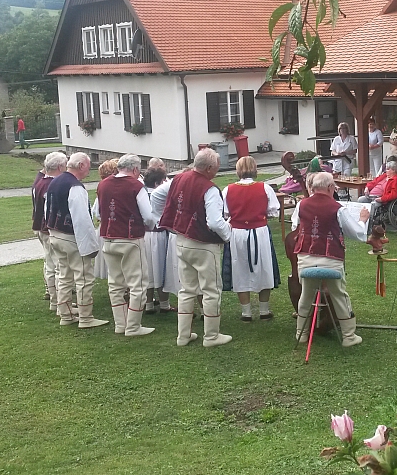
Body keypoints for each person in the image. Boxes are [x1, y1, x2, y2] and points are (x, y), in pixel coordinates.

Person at [158, 148, 233, 348]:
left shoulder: (178, 179)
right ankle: (211, 336)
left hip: (181, 239)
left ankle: (183, 335)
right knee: (211, 290)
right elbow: (215, 222)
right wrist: (228, 234)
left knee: (186, 289)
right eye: (216, 167)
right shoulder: (209, 189)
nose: (217, 171)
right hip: (203, 243)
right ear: (208, 168)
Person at [291, 172, 370, 347]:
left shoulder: (301, 204)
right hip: (331, 259)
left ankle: (301, 334)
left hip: (305, 259)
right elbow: (357, 233)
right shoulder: (338, 208)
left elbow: (294, 226)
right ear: (329, 187)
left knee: (306, 294)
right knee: (339, 294)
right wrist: (363, 220)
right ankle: (348, 336)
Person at [97, 154, 159, 337]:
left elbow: (99, 212)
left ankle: (120, 324)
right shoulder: (136, 186)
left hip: (108, 237)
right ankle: (133, 326)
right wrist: (149, 226)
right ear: (135, 169)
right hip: (130, 238)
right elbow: (148, 216)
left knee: (115, 284)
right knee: (137, 283)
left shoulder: (103, 184)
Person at [45, 152, 108, 329]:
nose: (89, 169)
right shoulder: (75, 187)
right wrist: (90, 245)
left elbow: (47, 209)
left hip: (55, 234)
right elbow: (82, 219)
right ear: (81, 166)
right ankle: (86, 317)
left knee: (65, 276)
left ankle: (65, 314)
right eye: (88, 166)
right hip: (71, 237)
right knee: (83, 278)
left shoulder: (54, 181)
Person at [223, 156, 280, 322]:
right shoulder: (265, 188)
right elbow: (273, 211)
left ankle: (246, 312)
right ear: (255, 169)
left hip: (237, 233)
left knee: (239, 268)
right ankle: (264, 310)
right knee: (264, 267)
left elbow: (225, 213)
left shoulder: (228, 190)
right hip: (259, 232)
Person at [32, 151, 67, 311]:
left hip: (41, 227)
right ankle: (58, 301)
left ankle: (54, 299)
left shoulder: (40, 181)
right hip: (48, 229)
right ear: (60, 167)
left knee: (50, 264)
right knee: (57, 266)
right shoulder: (51, 185)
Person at [142, 166, 174, 314]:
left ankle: (148, 303)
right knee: (161, 267)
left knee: (147, 268)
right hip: (159, 233)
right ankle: (164, 303)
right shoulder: (160, 196)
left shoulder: (141, 194)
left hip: (144, 234)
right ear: (157, 183)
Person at [91, 159, 120, 282]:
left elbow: (96, 212)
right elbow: (97, 212)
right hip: (113, 228)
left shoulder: (102, 188)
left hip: (104, 227)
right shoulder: (107, 189)